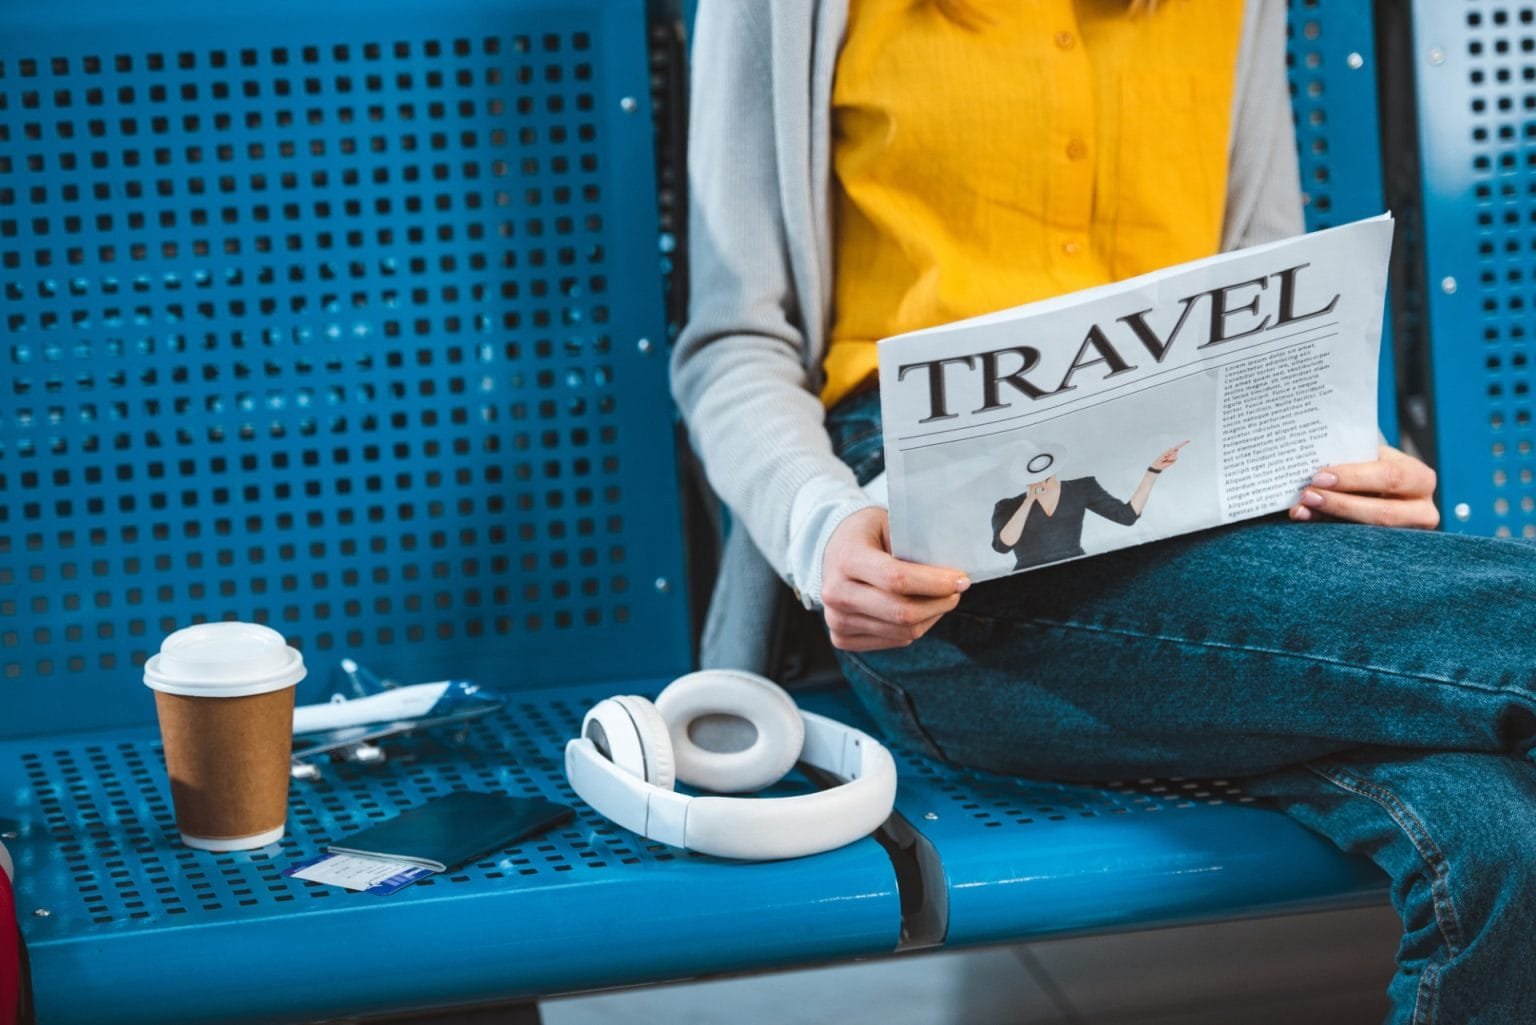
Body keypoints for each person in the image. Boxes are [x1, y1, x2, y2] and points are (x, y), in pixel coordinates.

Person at [672, 1, 1533, 1021]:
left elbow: (1274, 314)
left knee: (1508, 843)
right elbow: (731, 346)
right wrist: (820, 531)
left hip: (1210, 508)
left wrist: (1347, 468)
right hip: (937, 555)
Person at [992, 443, 1187, 570]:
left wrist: (1153, 471)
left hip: (1077, 567)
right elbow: (1003, 546)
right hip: (1030, 575)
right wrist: (1028, 501)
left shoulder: (1082, 487)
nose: (1039, 477)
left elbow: (1127, 516)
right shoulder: (1008, 505)